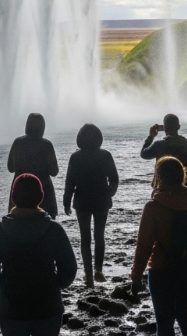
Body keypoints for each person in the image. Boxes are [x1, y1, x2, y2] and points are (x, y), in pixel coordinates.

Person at [0, 174, 78, 336]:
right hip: (49, 307)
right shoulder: (54, 230)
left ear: (13, 197)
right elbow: (69, 269)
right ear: (40, 197)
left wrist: (3, 284)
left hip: (11, 309)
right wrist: (55, 285)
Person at [131, 156, 187, 336]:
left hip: (161, 271)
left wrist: (136, 277)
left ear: (159, 176)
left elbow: (143, 246)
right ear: (182, 175)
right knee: (185, 313)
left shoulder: (153, 207)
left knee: (164, 321)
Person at [64, 123, 119, 287]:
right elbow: (114, 179)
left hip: (82, 202)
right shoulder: (106, 155)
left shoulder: (75, 158)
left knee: (85, 238)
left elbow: (69, 184)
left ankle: (88, 276)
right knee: (99, 236)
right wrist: (108, 194)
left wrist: (66, 203)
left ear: (80, 139)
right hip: (101, 201)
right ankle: (98, 270)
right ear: (99, 139)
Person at [7, 113, 59, 218]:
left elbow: (10, 168)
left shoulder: (18, 143)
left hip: (20, 192)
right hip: (43, 193)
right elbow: (54, 172)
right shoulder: (47, 145)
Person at [141, 114, 187, 195]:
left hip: (163, 191)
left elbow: (144, 154)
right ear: (178, 127)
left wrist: (151, 137)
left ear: (164, 128)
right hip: (184, 190)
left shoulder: (159, 145)